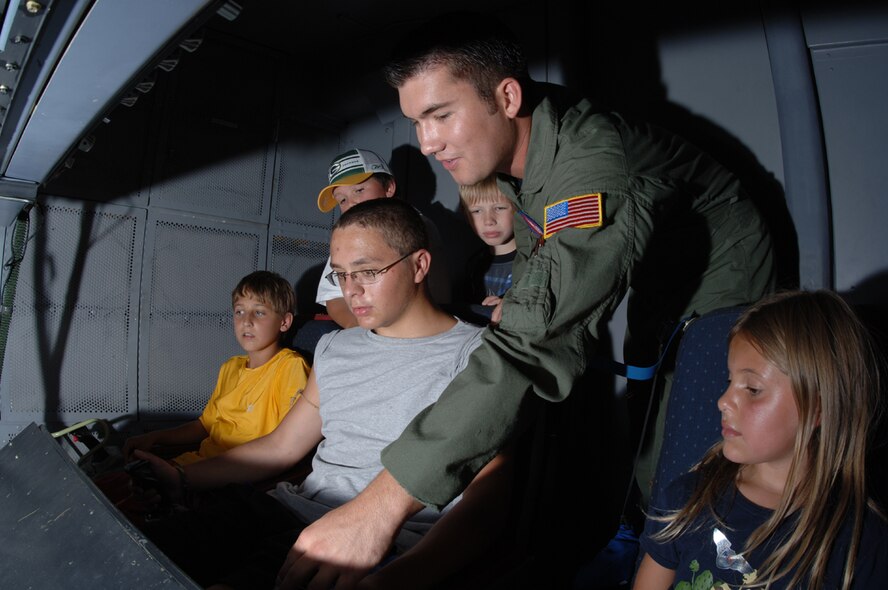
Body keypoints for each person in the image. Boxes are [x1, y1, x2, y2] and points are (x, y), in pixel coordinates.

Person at [285, 13, 777, 588]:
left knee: (699, 421)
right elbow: (549, 262)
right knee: (649, 415)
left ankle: (698, 565)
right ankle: (643, 540)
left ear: (507, 95)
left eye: (441, 114)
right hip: (654, 263)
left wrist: (382, 506)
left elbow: (533, 342)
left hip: (720, 261)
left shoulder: (592, 163)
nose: (426, 141)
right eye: (417, 120)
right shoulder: (521, 137)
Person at [134, 198, 511, 589]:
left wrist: (401, 577)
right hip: (285, 509)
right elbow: (281, 447)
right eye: (342, 275)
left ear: (418, 265)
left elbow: (489, 501)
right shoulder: (336, 347)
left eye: (367, 271)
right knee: (142, 555)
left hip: (382, 540)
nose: (352, 290)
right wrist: (181, 477)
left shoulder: (479, 355)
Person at [634, 290, 888, 589]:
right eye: (730, 382)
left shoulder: (861, 543)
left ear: (819, 408)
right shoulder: (688, 499)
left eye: (752, 389)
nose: (723, 401)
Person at [121, 270, 310, 466]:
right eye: (239, 311)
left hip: (239, 476)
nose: (246, 321)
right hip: (197, 464)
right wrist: (154, 437)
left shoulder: (290, 368)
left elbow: (288, 444)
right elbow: (205, 425)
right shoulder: (230, 368)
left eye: (259, 312)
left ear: (284, 322)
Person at [315, 148, 451, 328]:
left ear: (388, 188)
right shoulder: (350, 236)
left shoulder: (417, 224)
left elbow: (437, 295)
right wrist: (365, 334)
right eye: (342, 200)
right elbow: (333, 297)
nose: (352, 203)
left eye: (359, 190)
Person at [458, 175, 516, 322]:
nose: (489, 220)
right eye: (477, 211)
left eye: (499, 208)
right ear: (466, 215)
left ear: (517, 208)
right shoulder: (473, 264)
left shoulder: (534, 262)